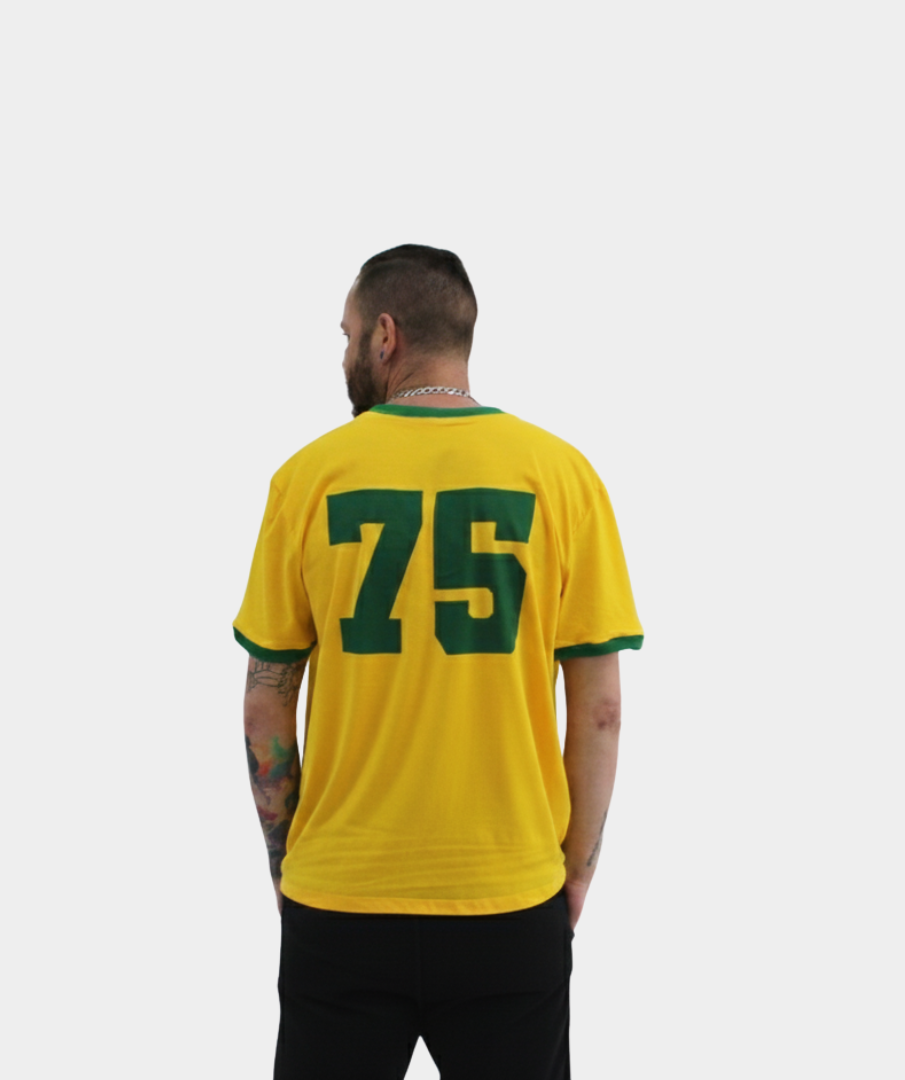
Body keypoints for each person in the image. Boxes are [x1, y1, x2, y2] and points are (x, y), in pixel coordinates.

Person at [233, 244, 643, 1079]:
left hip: (342, 895)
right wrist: (572, 877)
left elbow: (265, 701)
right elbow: (600, 710)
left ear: (385, 336)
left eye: (346, 334)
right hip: (508, 894)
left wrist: (288, 868)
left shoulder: (306, 479)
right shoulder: (563, 477)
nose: (343, 354)